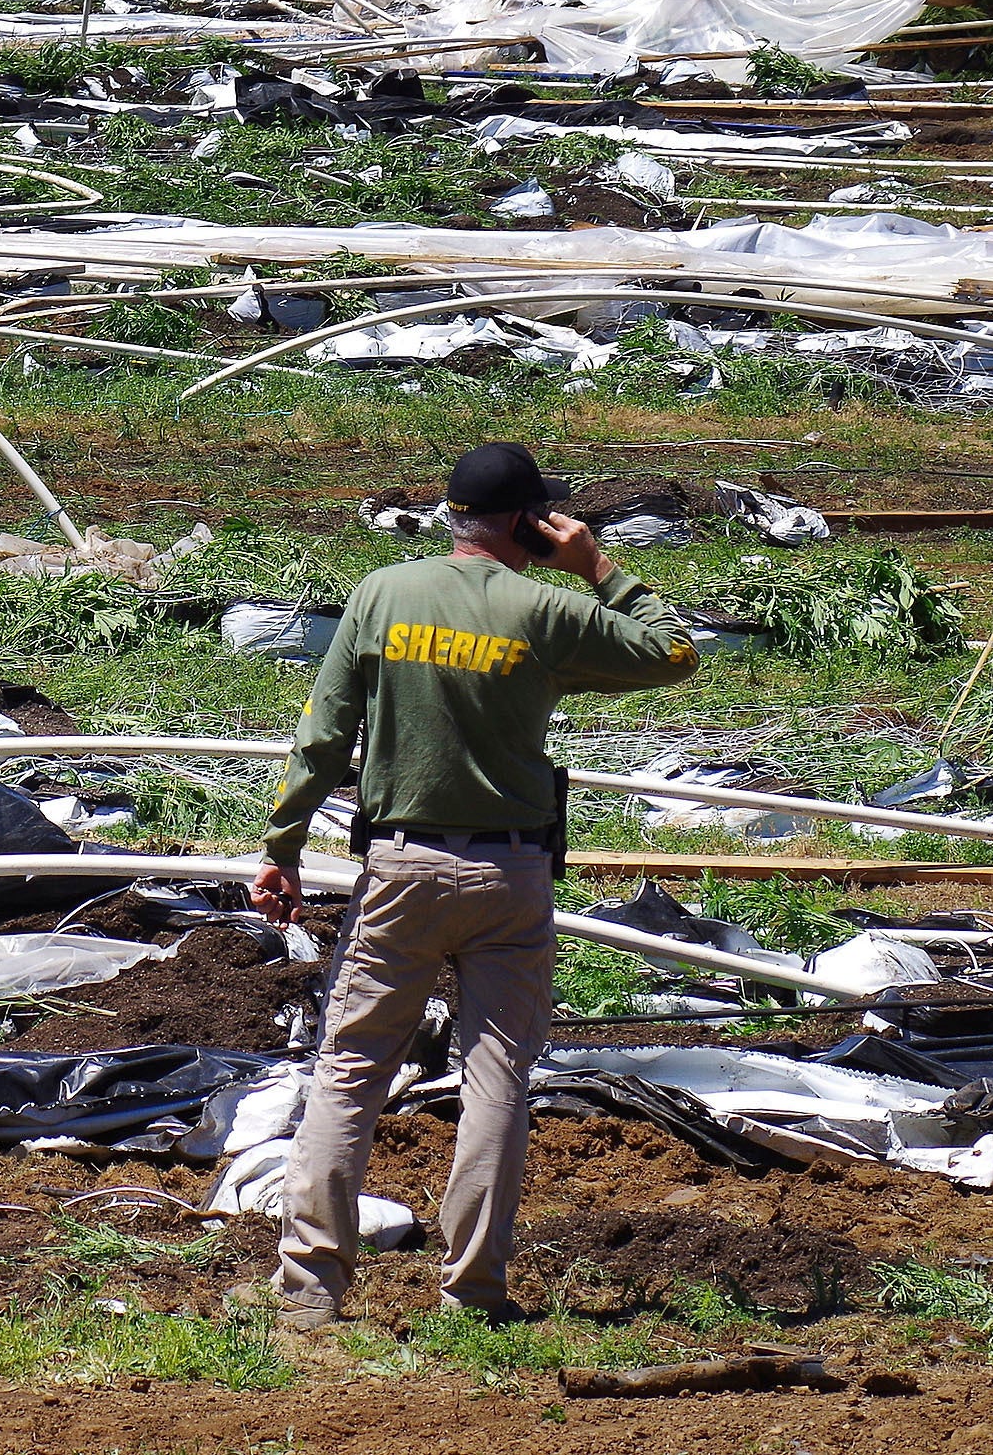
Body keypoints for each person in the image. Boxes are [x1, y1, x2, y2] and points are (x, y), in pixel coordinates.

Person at [247, 441, 700, 1333]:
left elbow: (325, 731)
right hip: (510, 874)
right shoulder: (547, 609)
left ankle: (309, 1290)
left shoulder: (383, 593)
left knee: (349, 1072)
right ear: (532, 521)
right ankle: (472, 1296)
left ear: (451, 513)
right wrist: (598, 567)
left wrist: (283, 846)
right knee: (496, 1082)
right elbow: (673, 653)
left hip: (401, 874)